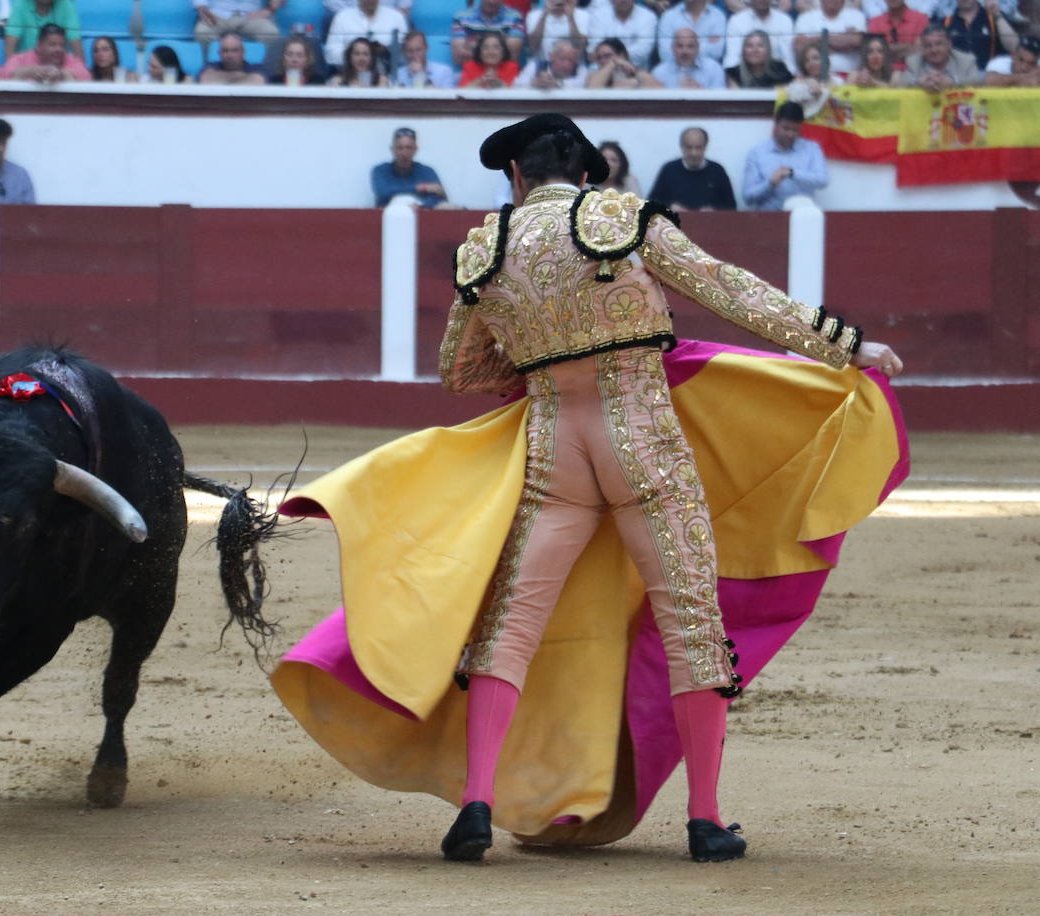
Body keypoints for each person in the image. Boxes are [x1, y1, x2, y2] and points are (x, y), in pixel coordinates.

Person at [271, 112, 904, 868]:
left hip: (553, 450)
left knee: (511, 623)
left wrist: (542, 366)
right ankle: (704, 819)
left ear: (516, 175)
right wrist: (842, 344)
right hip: (643, 442)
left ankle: (476, 804)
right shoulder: (621, 217)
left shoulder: (489, 246)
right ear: (587, 166)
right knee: (689, 620)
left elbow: (460, 372)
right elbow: (730, 291)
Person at [743, 101, 828, 211]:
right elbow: (747, 198)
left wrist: (793, 173)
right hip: (768, 218)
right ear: (776, 124)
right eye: (786, 128)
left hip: (802, 216)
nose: (790, 134)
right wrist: (770, 184)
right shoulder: (757, 153)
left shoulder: (811, 149)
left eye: (795, 130)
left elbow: (823, 181)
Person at [649, 127, 737, 211]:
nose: (694, 153)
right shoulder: (669, 170)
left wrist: (714, 211)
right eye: (689, 147)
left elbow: (731, 207)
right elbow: (651, 205)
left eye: (698, 148)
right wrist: (669, 208)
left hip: (710, 224)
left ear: (705, 147)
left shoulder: (717, 171)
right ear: (682, 147)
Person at [371, 126, 448, 207]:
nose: (404, 153)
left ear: (415, 149)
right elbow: (382, 192)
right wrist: (420, 187)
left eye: (409, 148)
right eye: (400, 148)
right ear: (392, 149)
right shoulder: (380, 170)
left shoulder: (427, 171)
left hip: (421, 213)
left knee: (448, 206)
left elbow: (439, 196)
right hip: (389, 214)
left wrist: (421, 205)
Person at [794, 0, 868, 78]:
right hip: (816, 78)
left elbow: (857, 41)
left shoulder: (856, 15)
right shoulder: (806, 17)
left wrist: (818, 42)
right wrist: (843, 40)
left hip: (851, 75)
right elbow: (800, 47)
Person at [325, 0, 408, 67]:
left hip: (387, 76)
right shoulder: (342, 17)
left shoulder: (396, 18)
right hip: (349, 77)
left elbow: (405, 53)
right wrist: (354, 54)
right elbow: (331, 55)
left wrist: (386, 51)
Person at [0, 23, 91, 82]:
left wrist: (61, 74)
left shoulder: (70, 59)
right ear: (39, 46)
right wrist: (30, 71)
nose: (58, 49)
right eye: (52, 44)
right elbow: (1, 77)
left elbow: (87, 78)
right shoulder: (21, 59)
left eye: (61, 45)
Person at [942, 0, 1019, 69]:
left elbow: (1013, 46)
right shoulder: (946, 22)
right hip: (958, 77)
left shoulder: (993, 17)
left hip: (989, 75)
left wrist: (997, 15)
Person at [902, 23, 983, 86]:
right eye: (928, 45)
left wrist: (953, 82)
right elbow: (902, 82)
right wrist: (918, 82)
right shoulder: (913, 62)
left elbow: (977, 81)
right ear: (923, 47)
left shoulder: (966, 60)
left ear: (949, 44)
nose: (934, 50)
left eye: (938, 44)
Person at [450, 0, 526, 66]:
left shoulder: (515, 17)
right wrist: (498, 49)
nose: (491, 1)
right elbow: (458, 57)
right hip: (471, 73)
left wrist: (474, 46)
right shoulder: (461, 17)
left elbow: (512, 57)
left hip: (504, 73)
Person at [587, 0, 657, 69]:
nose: (623, 0)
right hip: (602, 69)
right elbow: (595, 49)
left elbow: (643, 51)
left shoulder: (648, 17)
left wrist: (611, 58)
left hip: (636, 71)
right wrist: (617, 58)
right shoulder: (598, 15)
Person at [724, 0, 794, 68]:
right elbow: (733, 56)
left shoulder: (784, 20)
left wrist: (791, 76)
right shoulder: (736, 21)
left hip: (776, 71)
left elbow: (787, 56)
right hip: (746, 72)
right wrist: (731, 75)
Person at [4, 0, 83, 59]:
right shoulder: (20, 3)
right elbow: (10, 47)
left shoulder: (66, 5)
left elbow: (76, 46)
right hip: (26, 70)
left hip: (58, 70)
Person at [657, 0, 727, 64]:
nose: (686, 51)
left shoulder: (718, 16)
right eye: (680, 46)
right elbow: (665, 54)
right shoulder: (669, 17)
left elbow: (716, 53)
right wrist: (704, 45)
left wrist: (680, 47)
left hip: (708, 73)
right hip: (674, 73)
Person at [653, 27, 727, 87]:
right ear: (672, 48)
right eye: (680, 46)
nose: (685, 51)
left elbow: (721, 103)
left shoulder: (714, 69)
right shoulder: (660, 72)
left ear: (698, 48)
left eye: (690, 46)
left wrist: (702, 93)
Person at [868, 0, 930, 70]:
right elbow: (875, 53)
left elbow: (920, 50)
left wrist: (888, 49)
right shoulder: (875, 22)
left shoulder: (921, 19)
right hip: (883, 73)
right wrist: (909, 47)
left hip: (913, 73)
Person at [193, 0, 284, 46]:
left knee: (271, 33)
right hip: (217, 15)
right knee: (203, 33)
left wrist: (270, 10)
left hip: (252, 16)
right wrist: (202, 8)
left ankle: (261, 75)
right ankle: (207, 73)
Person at [525, 0, 590, 61]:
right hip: (542, 64)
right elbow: (533, 46)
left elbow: (580, 46)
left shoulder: (582, 15)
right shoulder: (533, 15)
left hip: (572, 64)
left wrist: (571, 17)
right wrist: (544, 14)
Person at [586, 37, 663, 87]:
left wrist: (634, 71)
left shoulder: (638, 75)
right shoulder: (594, 75)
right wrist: (612, 64)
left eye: (607, 56)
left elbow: (658, 89)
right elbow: (592, 89)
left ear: (621, 55)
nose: (602, 61)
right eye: (599, 58)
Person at [726, 29, 793, 86]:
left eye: (760, 46)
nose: (755, 50)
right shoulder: (734, 73)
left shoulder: (780, 70)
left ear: (768, 50)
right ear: (743, 50)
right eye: (750, 46)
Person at [198, 30, 267, 84]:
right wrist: (242, 76)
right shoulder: (211, 65)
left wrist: (222, 80)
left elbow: (258, 80)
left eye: (234, 50)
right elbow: (205, 79)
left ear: (243, 53)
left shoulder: (256, 67)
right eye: (225, 51)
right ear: (219, 53)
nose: (229, 55)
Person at [519, 36, 587, 87]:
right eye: (562, 59)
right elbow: (517, 85)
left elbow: (582, 83)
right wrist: (535, 82)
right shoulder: (534, 66)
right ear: (551, 56)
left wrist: (557, 84)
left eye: (571, 60)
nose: (566, 65)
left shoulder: (581, 70)